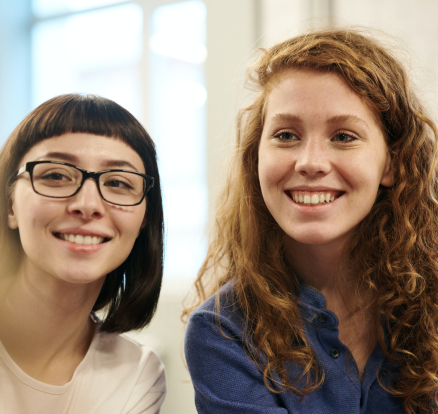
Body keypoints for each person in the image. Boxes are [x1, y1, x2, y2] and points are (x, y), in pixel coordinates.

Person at [183, 28, 438, 414]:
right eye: (286, 135)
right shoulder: (223, 332)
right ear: (256, 160)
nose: (311, 163)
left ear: (392, 163)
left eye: (343, 136)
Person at [0, 94, 166, 413]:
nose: (87, 205)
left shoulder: (135, 374)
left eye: (118, 182)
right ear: (10, 205)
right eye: (56, 176)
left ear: (144, 220)